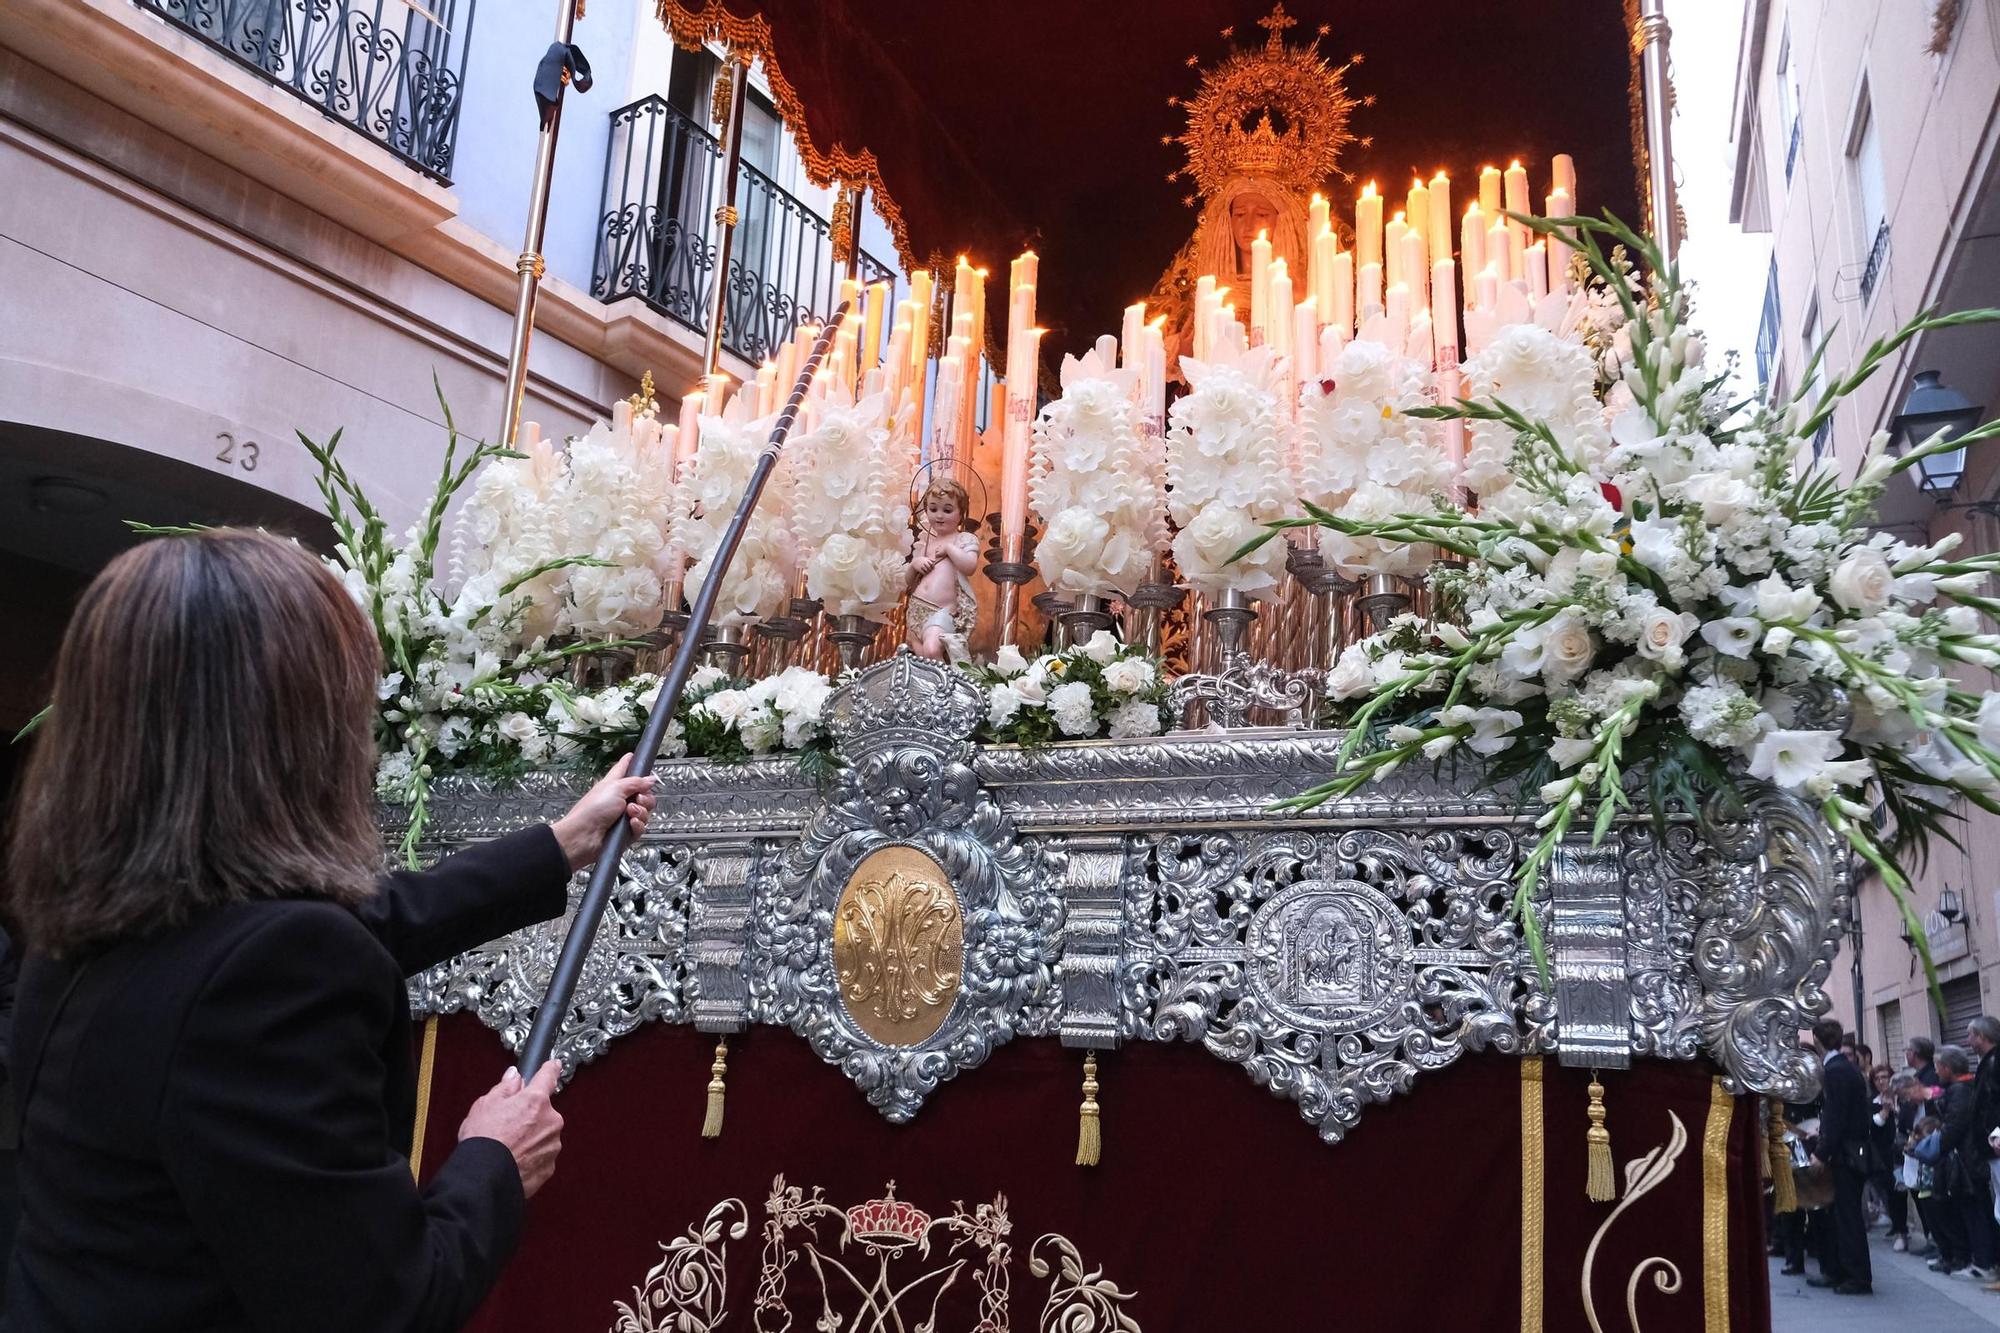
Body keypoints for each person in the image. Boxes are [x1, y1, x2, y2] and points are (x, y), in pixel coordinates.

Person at [1, 530, 658, 1331]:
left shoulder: (80, 925)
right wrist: (493, 1159)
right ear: (291, 735)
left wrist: (556, 847)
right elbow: (387, 1304)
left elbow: (361, 919)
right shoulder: (274, 968)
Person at [1810, 1018, 1873, 1294]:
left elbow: (1836, 1117)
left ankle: (1856, 1276)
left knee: (1847, 1216)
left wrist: (1822, 1153)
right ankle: (1838, 1270)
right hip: (1847, 1150)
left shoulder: (1836, 1071)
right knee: (1840, 1215)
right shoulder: (1843, 1069)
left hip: (1846, 1154)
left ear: (1818, 1041)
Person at [1934, 1043, 1999, 1281]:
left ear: (1948, 1067)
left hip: (1969, 1161)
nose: (1937, 1071)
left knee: (1976, 1211)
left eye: (1939, 1066)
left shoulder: (1960, 1091)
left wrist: (1934, 1146)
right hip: (1970, 1159)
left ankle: (1984, 1262)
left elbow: (1955, 1126)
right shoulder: (1963, 1088)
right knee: (1976, 1210)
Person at [905, 477, 980, 661]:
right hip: (917, 608)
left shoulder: (964, 539)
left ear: (961, 513)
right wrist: (915, 565)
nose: (939, 515)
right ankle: (927, 690)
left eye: (947, 510)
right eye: (933, 509)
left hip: (942, 611)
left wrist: (949, 549)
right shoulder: (927, 542)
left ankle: (944, 688)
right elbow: (908, 581)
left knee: (932, 649)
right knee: (921, 656)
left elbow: (970, 566)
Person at [1970, 1016, 2000, 1290]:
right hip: (1990, 1145)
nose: (1969, 1041)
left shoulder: (1995, 1063)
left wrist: (1997, 1132)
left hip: (1995, 1144)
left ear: (1982, 1036)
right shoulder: (1988, 1063)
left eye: (1971, 1035)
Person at [1867, 1066, 1908, 1251]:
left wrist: (1896, 1109)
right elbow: (1873, 1126)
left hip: (1907, 1152)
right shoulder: (1872, 1102)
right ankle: (1900, 1230)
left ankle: (1903, 1230)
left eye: (1885, 1077)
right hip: (1886, 1156)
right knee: (1892, 1194)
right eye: (1878, 1078)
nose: (1882, 1081)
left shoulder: (1903, 1097)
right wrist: (1885, 1110)